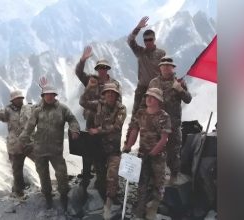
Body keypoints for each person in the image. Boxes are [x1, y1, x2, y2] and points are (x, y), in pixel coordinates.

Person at [19, 84, 80, 210]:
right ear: (43, 96)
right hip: (40, 149)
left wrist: (75, 130)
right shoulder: (37, 110)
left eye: (52, 94)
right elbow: (29, 127)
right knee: (43, 175)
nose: (49, 97)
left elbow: (72, 119)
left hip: (56, 150)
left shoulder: (62, 109)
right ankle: (48, 197)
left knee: (62, 174)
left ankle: (64, 196)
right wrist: (22, 140)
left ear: (55, 95)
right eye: (47, 94)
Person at [123, 88, 171, 220]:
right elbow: (134, 131)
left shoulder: (164, 116)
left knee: (158, 182)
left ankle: (153, 209)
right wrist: (128, 146)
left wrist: (152, 154)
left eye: (153, 97)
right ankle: (140, 209)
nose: (149, 99)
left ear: (159, 100)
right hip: (142, 154)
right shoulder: (141, 113)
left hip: (158, 156)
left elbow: (164, 138)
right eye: (147, 96)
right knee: (142, 183)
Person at [79, 83, 126, 219]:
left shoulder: (121, 108)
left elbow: (116, 127)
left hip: (113, 150)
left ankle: (110, 202)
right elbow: (82, 102)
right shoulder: (98, 104)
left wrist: (98, 130)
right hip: (98, 148)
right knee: (100, 177)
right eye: (108, 93)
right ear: (104, 94)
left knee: (112, 175)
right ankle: (102, 196)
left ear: (117, 95)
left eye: (113, 93)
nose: (110, 95)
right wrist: (89, 88)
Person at [75, 45, 121, 182]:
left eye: (104, 68)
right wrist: (82, 60)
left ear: (107, 69)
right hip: (91, 116)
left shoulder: (114, 84)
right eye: (100, 68)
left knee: (107, 143)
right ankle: (88, 171)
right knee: (89, 142)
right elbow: (78, 73)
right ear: (97, 69)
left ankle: (107, 170)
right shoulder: (91, 79)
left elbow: (119, 102)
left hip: (107, 118)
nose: (102, 70)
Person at [148, 56, 192, 185]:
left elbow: (188, 99)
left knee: (174, 151)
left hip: (174, 124)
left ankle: (173, 175)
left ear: (173, 68)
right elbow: (148, 101)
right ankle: (155, 177)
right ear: (160, 67)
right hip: (157, 124)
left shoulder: (179, 82)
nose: (166, 67)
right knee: (155, 150)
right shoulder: (153, 83)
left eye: (169, 65)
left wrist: (180, 89)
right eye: (164, 65)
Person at [0, 90, 33, 198]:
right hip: (15, 146)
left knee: (41, 163)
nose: (20, 100)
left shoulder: (28, 108)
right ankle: (19, 193)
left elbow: (40, 109)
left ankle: (45, 188)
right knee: (17, 171)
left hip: (29, 143)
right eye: (17, 98)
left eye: (21, 98)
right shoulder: (7, 111)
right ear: (13, 100)